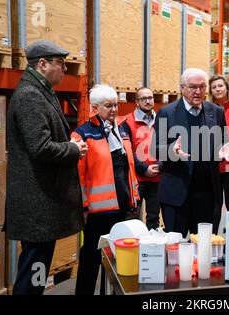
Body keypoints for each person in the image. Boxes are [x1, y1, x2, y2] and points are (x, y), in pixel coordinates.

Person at [5, 40, 88, 295]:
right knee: (32, 274)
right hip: (36, 206)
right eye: (60, 64)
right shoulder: (30, 96)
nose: (65, 69)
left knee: (36, 272)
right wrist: (73, 149)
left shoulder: (41, 91)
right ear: (42, 64)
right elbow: (40, 147)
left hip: (41, 205)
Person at [72, 84, 140, 295]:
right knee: (91, 257)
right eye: (108, 106)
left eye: (115, 105)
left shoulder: (121, 130)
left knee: (120, 257)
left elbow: (128, 165)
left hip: (123, 205)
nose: (113, 110)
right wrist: (82, 206)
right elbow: (78, 175)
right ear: (94, 107)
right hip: (97, 211)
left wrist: (134, 197)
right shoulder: (82, 134)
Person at [151, 68, 228, 236]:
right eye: (193, 87)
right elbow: (155, 149)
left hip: (207, 196)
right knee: (174, 248)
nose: (198, 91)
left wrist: (222, 149)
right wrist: (172, 151)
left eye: (202, 87)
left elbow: (222, 142)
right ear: (182, 88)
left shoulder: (216, 112)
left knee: (204, 248)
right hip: (176, 195)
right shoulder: (167, 113)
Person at [120, 87, 161, 230]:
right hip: (136, 180)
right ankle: (132, 249)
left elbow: (168, 146)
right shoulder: (127, 122)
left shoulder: (162, 119)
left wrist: (159, 166)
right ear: (137, 102)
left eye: (150, 98)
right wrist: (144, 169)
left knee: (154, 218)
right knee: (132, 217)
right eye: (143, 99)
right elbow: (127, 152)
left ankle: (151, 249)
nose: (148, 101)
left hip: (157, 178)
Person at [209, 75, 229, 211]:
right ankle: (213, 233)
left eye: (220, 86)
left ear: (227, 88)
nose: (218, 89)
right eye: (214, 87)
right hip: (214, 163)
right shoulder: (208, 109)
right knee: (214, 204)